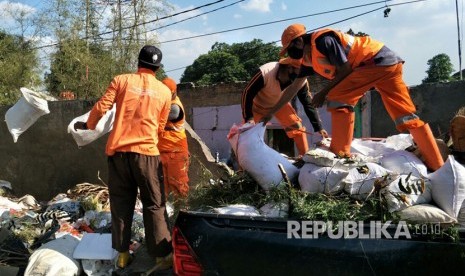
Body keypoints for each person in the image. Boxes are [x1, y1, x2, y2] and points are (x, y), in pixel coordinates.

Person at [268, 23, 444, 171]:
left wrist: (323, 93)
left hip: (374, 62)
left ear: (299, 41)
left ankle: (341, 152)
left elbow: (345, 69)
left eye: (289, 49)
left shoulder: (322, 41)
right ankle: (437, 165)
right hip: (390, 63)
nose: (290, 54)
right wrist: (273, 111)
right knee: (405, 115)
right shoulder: (309, 59)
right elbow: (294, 88)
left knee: (339, 96)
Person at [74, 45, 173, 270]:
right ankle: (160, 257)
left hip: (119, 155)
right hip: (147, 156)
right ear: (157, 68)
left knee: (121, 205)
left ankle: (122, 254)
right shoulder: (165, 92)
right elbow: (160, 126)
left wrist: (88, 125)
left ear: (138, 62)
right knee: (154, 205)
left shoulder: (121, 80)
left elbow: (102, 107)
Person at [241, 57, 328, 156]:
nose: (302, 75)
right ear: (289, 68)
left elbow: (307, 103)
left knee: (296, 127)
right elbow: (247, 93)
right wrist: (249, 118)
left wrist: (318, 128)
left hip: (280, 105)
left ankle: (305, 158)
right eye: (300, 71)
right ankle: (242, 167)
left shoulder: (301, 80)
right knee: (247, 133)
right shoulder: (266, 72)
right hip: (257, 106)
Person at [159, 77, 190, 198]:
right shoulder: (164, 102)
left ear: (174, 92)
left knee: (178, 185)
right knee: (163, 187)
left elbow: (155, 117)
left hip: (175, 153)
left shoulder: (175, 107)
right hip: (162, 152)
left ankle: (181, 211)